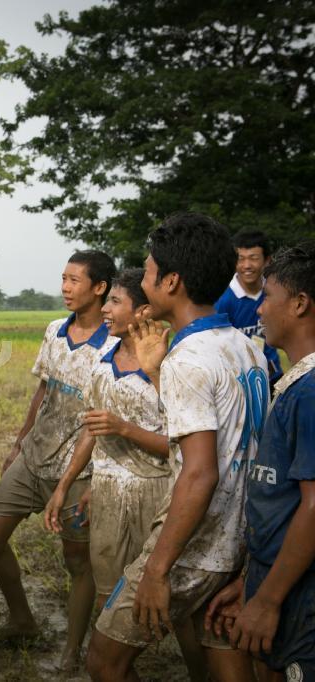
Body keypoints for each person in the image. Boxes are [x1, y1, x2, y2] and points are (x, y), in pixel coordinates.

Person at [86, 213, 267, 682]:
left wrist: (158, 569)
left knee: (105, 661)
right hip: (238, 539)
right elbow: (224, 435)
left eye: (147, 274)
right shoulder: (244, 346)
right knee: (225, 660)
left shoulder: (189, 358)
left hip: (195, 546)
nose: (144, 285)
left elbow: (200, 471)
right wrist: (158, 372)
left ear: (171, 280)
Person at [42, 268, 206, 681]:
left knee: (178, 607)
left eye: (116, 302)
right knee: (108, 601)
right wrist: (68, 486)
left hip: (158, 496)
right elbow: (92, 430)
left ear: (144, 310)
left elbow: (182, 445)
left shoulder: (168, 365)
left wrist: (124, 429)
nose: (107, 310)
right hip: (109, 494)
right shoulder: (103, 358)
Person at [0, 251, 117, 670]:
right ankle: (22, 619)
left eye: (75, 280)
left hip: (80, 470)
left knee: (77, 561)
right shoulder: (56, 330)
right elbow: (43, 392)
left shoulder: (113, 344)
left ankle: (73, 649)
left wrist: (86, 480)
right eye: (63, 278)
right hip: (35, 456)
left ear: (100, 288)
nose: (65, 287)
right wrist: (19, 443)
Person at [205, 241, 315, 681]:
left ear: (301, 304)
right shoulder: (295, 382)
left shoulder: (309, 395)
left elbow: (312, 506)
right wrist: (254, 584)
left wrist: (268, 600)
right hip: (279, 578)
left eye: (268, 297)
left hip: (301, 594)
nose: (260, 309)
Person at [215, 230, 283, 382]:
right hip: (240, 381)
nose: (247, 265)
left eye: (253, 258)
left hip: (272, 374)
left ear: (267, 261)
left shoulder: (275, 292)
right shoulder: (223, 299)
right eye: (241, 259)